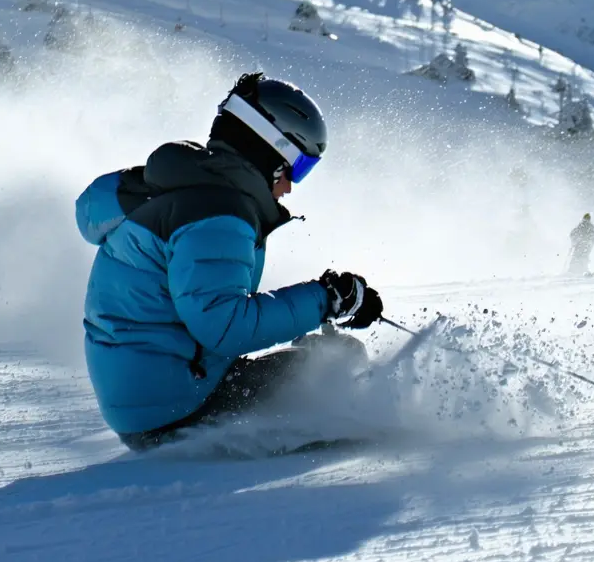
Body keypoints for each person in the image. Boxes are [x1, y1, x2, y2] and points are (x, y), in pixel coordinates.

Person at [74, 72, 384, 451]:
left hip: (155, 397)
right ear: (269, 153)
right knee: (339, 362)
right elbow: (226, 326)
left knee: (323, 358)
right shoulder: (217, 212)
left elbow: (208, 305)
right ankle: (351, 432)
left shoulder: (181, 190)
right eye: (298, 167)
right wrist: (326, 300)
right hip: (178, 409)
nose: (290, 186)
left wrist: (318, 306)